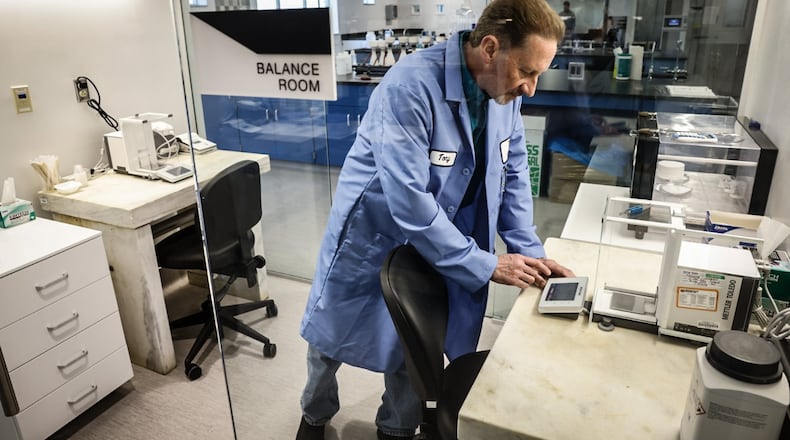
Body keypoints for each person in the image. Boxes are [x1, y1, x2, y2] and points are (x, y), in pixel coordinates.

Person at [297, 1, 573, 439]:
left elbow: (514, 174)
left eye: (539, 74)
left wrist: (529, 252)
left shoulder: (504, 93)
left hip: (446, 232)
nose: (531, 88)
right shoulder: (410, 85)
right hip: (375, 230)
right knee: (330, 338)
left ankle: (396, 428)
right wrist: (486, 264)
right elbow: (407, 201)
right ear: (489, 48)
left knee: (415, 342)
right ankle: (314, 415)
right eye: (527, 71)